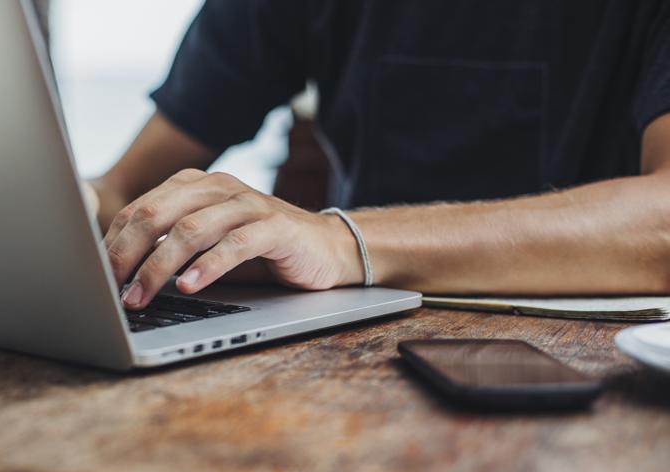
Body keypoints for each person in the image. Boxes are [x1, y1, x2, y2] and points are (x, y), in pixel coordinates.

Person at [87, 0, 670, 311]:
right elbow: (123, 190)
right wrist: (55, 208)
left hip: (588, 362)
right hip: (349, 339)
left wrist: (341, 241)